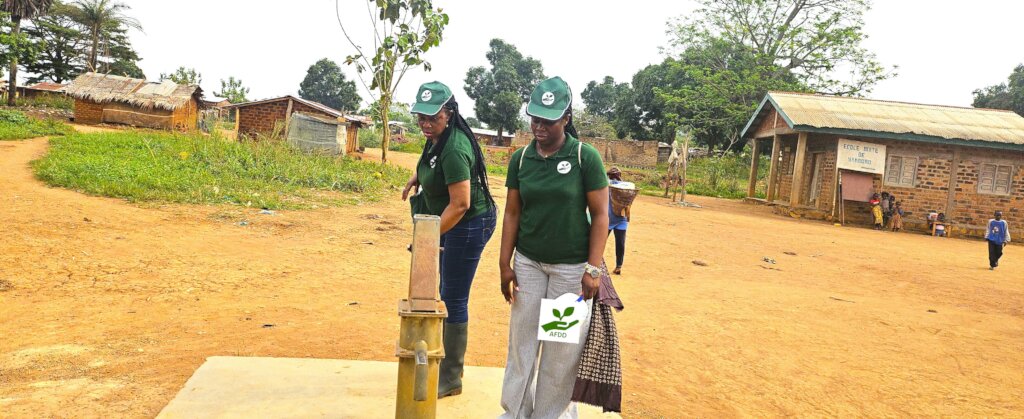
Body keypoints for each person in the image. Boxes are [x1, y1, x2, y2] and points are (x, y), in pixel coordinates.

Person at [498, 76, 610, 419]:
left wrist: (593, 270)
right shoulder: (521, 160)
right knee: (522, 344)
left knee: (560, 349)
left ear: (567, 118)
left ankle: (551, 414)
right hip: (529, 264)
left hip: (570, 270)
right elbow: (513, 212)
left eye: (548, 119)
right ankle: (514, 413)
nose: (540, 126)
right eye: (535, 118)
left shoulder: (584, 157)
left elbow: (602, 214)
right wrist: (505, 264)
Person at [401, 81, 497, 398]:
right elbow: (431, 160)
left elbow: (460, 204)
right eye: (421, 118)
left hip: (469, 224)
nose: (426, 124)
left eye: (433, 118)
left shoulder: (455, 147)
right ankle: (444, 364)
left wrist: (427, 240)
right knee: (444, 290)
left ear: (450, 113)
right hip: (454, 220)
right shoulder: (437, 137)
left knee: (453, 297)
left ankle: (451, 377)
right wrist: (418, 176)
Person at [606, 167, 631, 275]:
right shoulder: (625, 186)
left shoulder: (605, 185)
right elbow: (628, 203)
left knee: (600, 243)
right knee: (620, 243)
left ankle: (595, 265)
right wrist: (628, 215)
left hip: (607, 218)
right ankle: (618, 266)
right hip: (621, 219)